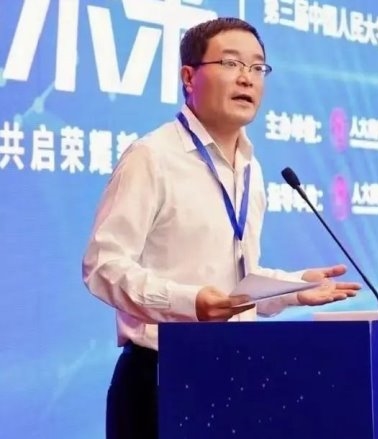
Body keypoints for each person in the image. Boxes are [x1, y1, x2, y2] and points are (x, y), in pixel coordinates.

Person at [82, 17, 360, 439]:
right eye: (231, 63)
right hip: (161, 376)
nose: (247, 78)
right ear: (188, 77)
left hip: (234, 370)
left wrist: (293, 289)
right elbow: (103, 265)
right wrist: (189, 303)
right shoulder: (152, 157)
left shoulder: (250, 167)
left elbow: (234, 286)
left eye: (257, 67)